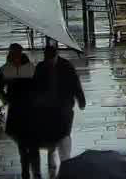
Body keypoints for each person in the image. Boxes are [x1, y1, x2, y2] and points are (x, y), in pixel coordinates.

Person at [31, 42, 86, 172]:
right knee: (51, 133)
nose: (48, 61)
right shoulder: (41, 67)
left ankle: (65, 161)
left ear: (55, 56)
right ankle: (52, 158)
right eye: (46, 58)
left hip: (64, 106)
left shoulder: (66, 66)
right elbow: (34, 87)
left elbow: (75, 84)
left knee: (64, 133)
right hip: (47, 108)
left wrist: (81, 100)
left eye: (50, 58)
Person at [0, 44, 40, 178]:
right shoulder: (5, 69)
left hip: (30, 110)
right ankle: (26, 171)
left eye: (17, 53)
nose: (15, 56)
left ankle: (35, 172)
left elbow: (39, 85)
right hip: (17, 110)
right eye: (13, 53)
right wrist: (6, 99)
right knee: (22, 144)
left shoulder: (30, 68)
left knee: (32, 143)